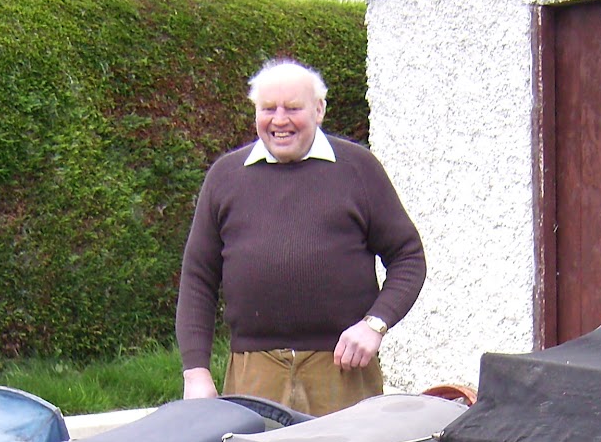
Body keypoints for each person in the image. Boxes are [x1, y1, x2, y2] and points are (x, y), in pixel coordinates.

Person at [175, 58, 426, 417]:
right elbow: (198, 278)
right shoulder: (225, 177)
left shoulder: (358, 169)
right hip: (253, 371)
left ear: (319, 110)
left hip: (342, 370)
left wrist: (375, 324)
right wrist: (196, 372)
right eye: (268, 109)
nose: (280, 120)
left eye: (293, 108)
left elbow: (408, 257)